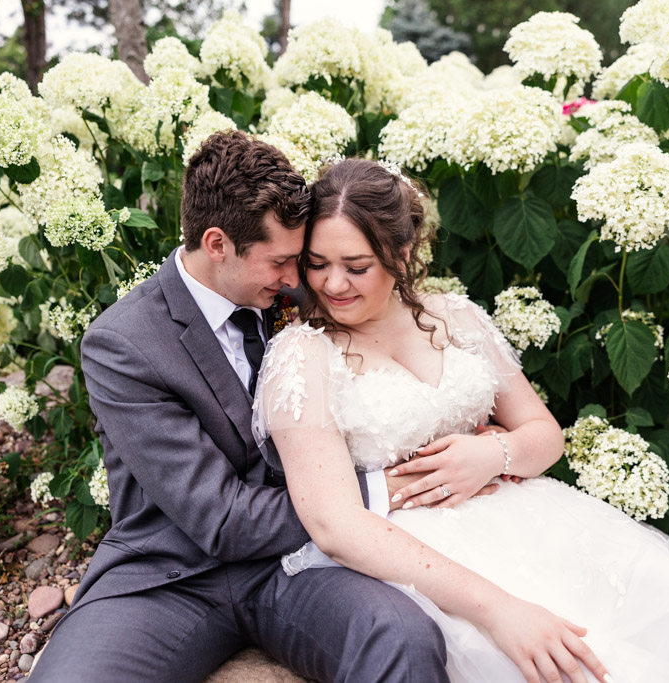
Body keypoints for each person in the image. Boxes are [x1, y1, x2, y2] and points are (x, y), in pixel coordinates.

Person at [253, 158, 669, 683]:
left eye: (356, 267)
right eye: (317, 264)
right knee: (555, 652)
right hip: (412, 550)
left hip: (520, 514)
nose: (332, 285)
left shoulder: (457, 319)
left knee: (662, 590)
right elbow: (334, 524)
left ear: (402, 252)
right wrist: (500, 610)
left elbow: (545, 436)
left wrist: (493, 454)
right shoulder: (302, 354)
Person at [29, 133, 452, 683]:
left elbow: (394, 345)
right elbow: (222, 519)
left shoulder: (307, 293)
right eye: (280, 262)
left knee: (403, 637)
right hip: (172, 575)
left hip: (302, 570)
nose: (298, 279)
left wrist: (473, 438)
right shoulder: (124, 344)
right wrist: (377, 489)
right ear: (217, 243)